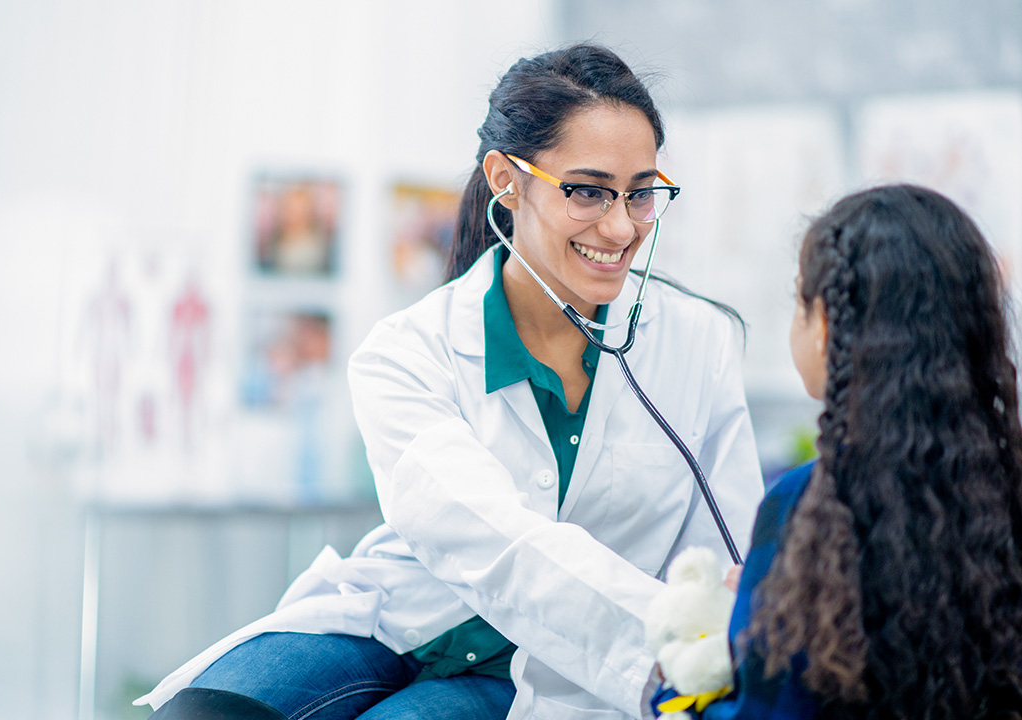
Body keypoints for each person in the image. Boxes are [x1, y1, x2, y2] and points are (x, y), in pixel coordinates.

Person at [137, 43, 764, 720]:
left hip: (564, 668)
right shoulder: (408, 351)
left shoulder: (698, 343)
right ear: (504, 178)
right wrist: (656, 643)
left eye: (639, 193)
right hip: (407, 617)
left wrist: (697, 663)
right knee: (201, 714)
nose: (619, 226)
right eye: (587, 191)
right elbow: (481, 534)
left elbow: (730, 550)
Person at [660, 184, 1022, 719]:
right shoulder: (1006, 489)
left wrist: (683, 682)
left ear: (826, 324)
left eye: (798, 302)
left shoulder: (808, 508)